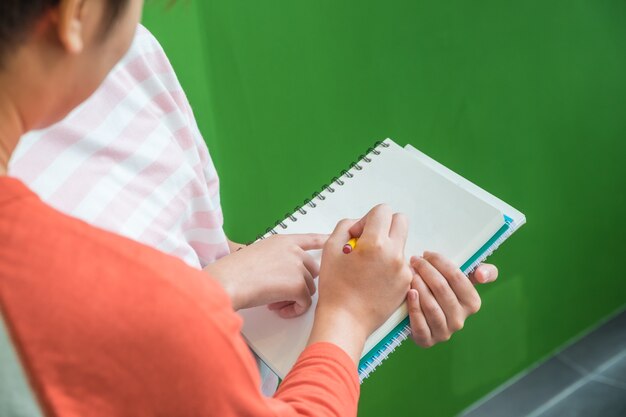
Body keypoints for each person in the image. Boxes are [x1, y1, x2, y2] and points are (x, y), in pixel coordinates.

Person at [0, 1, 483, 416]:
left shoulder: (129, 65)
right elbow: (129, 320)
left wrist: (223, 279)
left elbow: (166, 244)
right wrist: (350, 315)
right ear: (74, 13)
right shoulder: (52, 284)